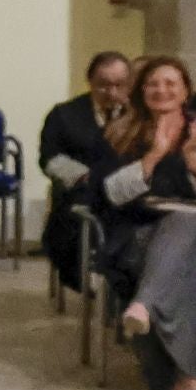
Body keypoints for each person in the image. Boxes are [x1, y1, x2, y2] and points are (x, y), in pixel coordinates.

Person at [89, 56, 196, 390]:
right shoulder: (119, 133)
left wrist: (193, 156)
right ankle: (188, 377)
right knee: (183, 268)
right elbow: (110, 194)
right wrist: (155, 154)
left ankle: (143, 304)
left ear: (186, 91)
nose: (161, 90)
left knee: (185, 225)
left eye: (170, 84)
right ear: (141, 91)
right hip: (138, 234)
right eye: (153, 84)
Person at [39, 51, 131, 290]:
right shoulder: (64, 115)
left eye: (119, 85)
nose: (112, 92)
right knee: (75, 218)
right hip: (81, 190)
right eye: (103, 85)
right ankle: (84, 276)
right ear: (90, 82)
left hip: (128, 191)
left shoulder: (137, 116)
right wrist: (85, 176)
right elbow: (50, 158)